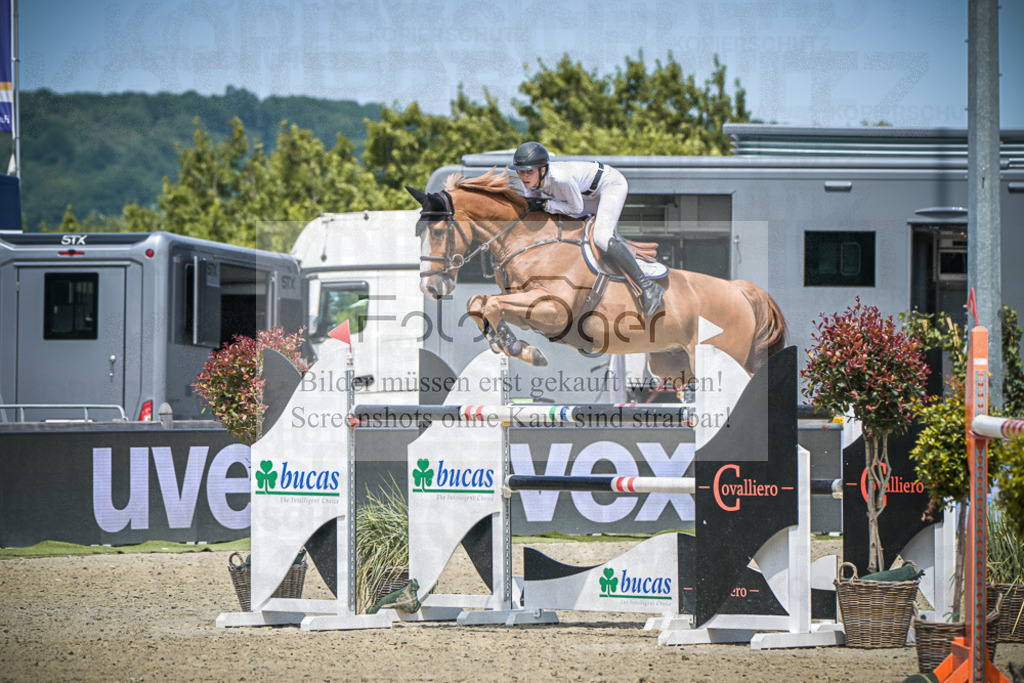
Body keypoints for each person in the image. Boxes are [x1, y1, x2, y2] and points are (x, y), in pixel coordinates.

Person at [508, 141, 665, 320]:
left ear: (543, 170)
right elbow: (533, 210)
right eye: (520, 171)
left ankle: (649, 288)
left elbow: (575, 209)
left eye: (529, 171)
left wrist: (546, 204)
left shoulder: (561, 179)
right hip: (585, 193)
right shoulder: (530, 182)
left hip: (609, 185)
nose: (524, 176)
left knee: (601, 237)